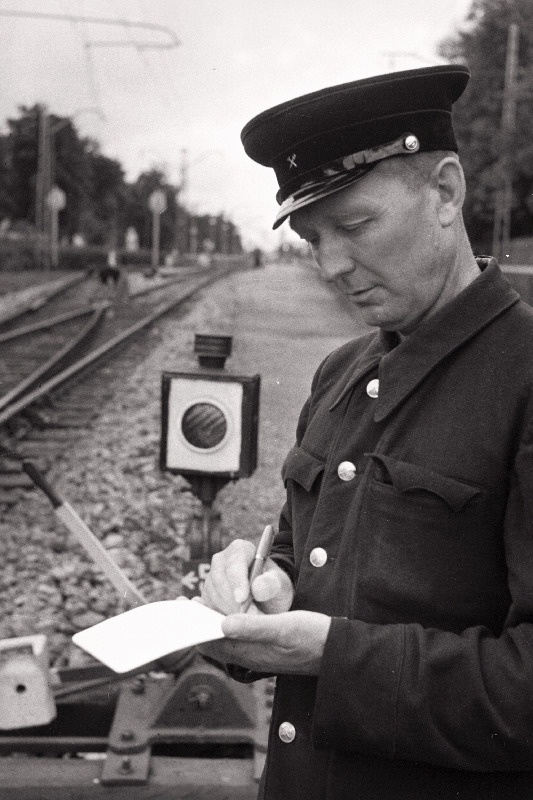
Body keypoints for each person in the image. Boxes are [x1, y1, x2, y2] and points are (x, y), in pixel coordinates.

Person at [199, 65, 533, 799]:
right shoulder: (341, 373)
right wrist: (266, 584)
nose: (330, 265)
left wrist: (332, 656)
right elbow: (307, 551)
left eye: (354, 227)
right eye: (313, 237)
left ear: (445, 192)